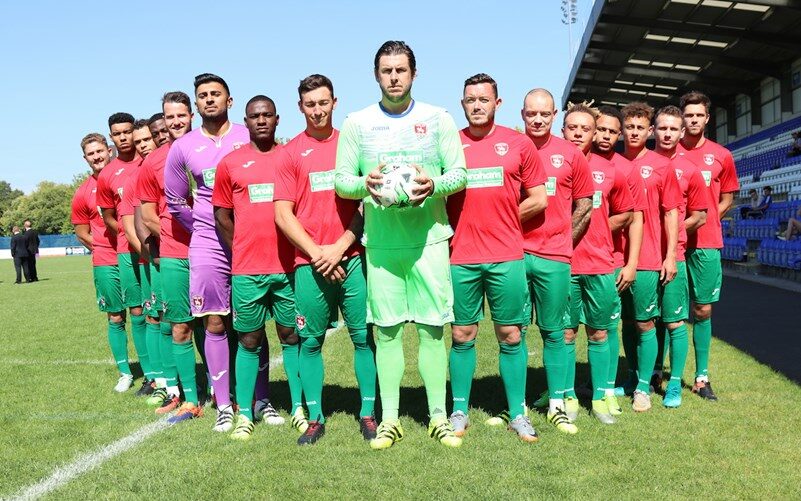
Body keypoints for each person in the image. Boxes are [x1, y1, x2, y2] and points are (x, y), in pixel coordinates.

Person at [335, 40, 467, 450]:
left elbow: (459, 173)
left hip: (429, 241)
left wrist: (433, 185)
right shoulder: (357, 123)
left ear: (414, 73)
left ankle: (438, 418)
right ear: (376, 75)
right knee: (387, 333)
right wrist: (367, 183)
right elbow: (342, 181)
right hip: (382, 245)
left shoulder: (438, 118)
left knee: (432, 330)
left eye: (401, 70)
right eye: (386, 70)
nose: (394, 77)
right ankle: (390, 420)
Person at [274, 74, 378, 444]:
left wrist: (341, 246)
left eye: (323, 103)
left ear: (335, 102)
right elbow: (283, 213)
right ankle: (315, 418)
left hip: (352, 259)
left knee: (363, 337)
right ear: (300, 107)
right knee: (310, 342)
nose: (317, 110)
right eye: (310, 104)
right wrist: (319, 253)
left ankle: (368, 413)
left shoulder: (352, 146)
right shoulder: (289, 153)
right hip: (310, 264)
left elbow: (367, 202)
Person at [444, 73, 547, 442]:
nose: (477, 105)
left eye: (483, 99)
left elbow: (539, 198)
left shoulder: (518, 144)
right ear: (462, 104)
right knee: (461, 333)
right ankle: (459, 410)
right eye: (470, 99)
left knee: (511, 334)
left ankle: (518, 412)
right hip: (461, 256)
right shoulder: (449, 145)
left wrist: (503, 219)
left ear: (497, 103)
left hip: (506, 256)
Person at [165, 74, 264, 433]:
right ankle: (223, 404)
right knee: (214, 321)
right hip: (208, 241)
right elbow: (175, 200)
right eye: (203, 95)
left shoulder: (248, 135)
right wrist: (204, 227)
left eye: (215, 94)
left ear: (229, 100)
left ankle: (261, 399)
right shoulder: (183, 147)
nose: (209, 99)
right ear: (197, 104)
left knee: (253, 322)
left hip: (250, 240)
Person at [212, 95, 301, 441]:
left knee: (291, 335)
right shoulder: (230, 163)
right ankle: (246, 413)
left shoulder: (290, 157)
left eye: (267, 115)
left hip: (288, 266)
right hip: (247, 269)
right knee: (249, 339)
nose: (261, 120)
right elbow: (222, 215)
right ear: (245, 121)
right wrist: (241, 248)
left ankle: (299, 408)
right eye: (254, 116)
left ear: (277, 119)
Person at [519, 88, 593, 431]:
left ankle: (558, 403)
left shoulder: (571, 154)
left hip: (555, 257)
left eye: (544, 114)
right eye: (531, 113)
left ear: (554, 116)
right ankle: (516, 406)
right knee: (513, 332)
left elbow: (585, 205)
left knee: (557, 332)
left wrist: (564, 240)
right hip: (515, 255)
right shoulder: (512, 149)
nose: (538, 119)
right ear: (522, 114)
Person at [561, 102, 634, 424]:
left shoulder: (610, 170)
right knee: (565, 333)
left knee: (599, 333)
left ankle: (601, 397)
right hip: (563, 265)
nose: (578, 133)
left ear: (594, 133)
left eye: (585, 129)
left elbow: (626, 212)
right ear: (563, 130)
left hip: (600, 264)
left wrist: (600, 227)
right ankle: (566, 395)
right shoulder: (549, 166)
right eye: (572, 128)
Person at [678, 91, 739, 401]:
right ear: (682, 117)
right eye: (688, 115)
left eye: (698, 115)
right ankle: (661, 372)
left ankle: (701, 377)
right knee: (670, 312)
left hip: (706, 243)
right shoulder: (669, 152)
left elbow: (727, 197)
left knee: (702, 309)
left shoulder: (721, 155)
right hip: (672, 244)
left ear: (707, 118)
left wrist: (710, 216)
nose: (693, 120)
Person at [621, 101, 681, 413]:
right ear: (622, 129)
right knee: (626, 322)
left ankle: (644, 387)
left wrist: (669, 256)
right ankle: (632, 376)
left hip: (647, 258)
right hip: (614, 258)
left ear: (650, 131)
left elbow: (671, 212)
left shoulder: (662, 165)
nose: (634, 132)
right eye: (629, 127)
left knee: (645, 323)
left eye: (640, 128)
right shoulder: (613, 162)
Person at [652, 105, 709, 408]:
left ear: (681, 131)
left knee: (674, 321)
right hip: (644, 255)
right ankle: (647, 375)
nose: (667, 134)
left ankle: (674, 383)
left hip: (673, 254)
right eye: (662, 128)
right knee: (643, 321)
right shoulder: (640, 164)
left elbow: (699, 215)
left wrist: (670, 231)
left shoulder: (690, 170)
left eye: (673, 129)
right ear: (654, 129)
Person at [592, 105, 646, 415]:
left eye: (612, 132)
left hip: (611, 257)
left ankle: (607, 387)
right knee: (566, 327)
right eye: (601, 129)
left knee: (608, 325)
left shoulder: (626, 168)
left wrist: (631, 263)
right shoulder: (577, 160)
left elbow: (635, 219)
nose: (606, 136)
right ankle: (563, 387)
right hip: (571, 257)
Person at [71, 133, 133, 392]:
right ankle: (125, 372)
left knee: (145, 314)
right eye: (91, 154)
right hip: (106, 261)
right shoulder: (83, 193)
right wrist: (103, 248)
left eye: (99, 151)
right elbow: (81, 232)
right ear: (85, 158)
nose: (96, 157)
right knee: (116, 316)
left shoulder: (127, 176)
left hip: (134, 254)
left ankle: (156, 372)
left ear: (109, 150)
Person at [95, 113, 152, 395]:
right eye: (117, 134)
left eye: (127, 132)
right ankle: (151, 375)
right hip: (127, 251)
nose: (124, 137)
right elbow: (108, 216)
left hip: (158, 248)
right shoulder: (108, 174)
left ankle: (171, 374)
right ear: (111, 138)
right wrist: (129, 232)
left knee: (161, 313)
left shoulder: (149, 159)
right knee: (138, 312)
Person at [118, 119, 160, 397]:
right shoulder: (135, 178)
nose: (143, 145)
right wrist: (151, 258)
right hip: (153, 261)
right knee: (155, 319)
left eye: (147, 139)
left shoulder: (175, 165)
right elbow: (130, 227)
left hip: (185, 258)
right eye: (139, 141)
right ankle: (160, 380)